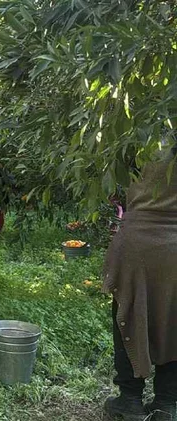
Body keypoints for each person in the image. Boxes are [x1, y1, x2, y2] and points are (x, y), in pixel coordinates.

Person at [102, 149, 177, 421]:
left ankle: (130, 400)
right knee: (174, 323)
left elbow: (111, 184)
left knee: (129, 314)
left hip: (138, 244)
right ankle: (166, 405)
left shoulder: (142, 133)